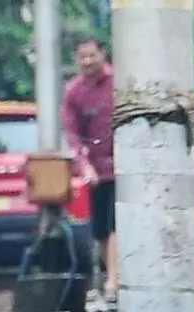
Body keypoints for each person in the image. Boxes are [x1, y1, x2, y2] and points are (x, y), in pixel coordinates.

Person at [64, 36, 118, 296]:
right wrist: (84, 165)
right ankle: (113, 277)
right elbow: (72, 134)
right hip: (95, 169)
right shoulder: (73, 92)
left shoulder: (119, 82)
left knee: (115, 222)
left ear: (102, 54)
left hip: (122, 165)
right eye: (82, 57)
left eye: (91, 56)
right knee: (99, 229)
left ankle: (113, 282)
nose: (87, 62)